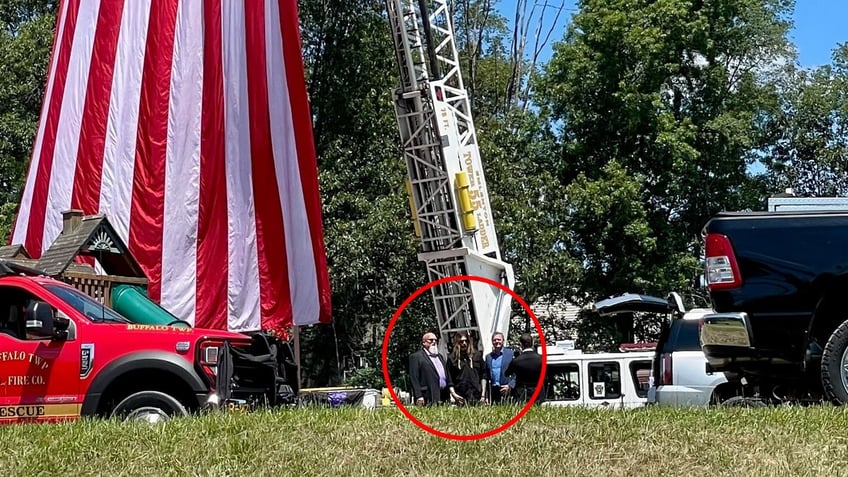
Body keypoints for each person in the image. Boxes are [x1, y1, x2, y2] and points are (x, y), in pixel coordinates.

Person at [408, 332, 463, 406]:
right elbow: (414, 378)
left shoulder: (439, 357)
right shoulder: (416, 357)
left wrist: (453, 393)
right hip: (427, 397)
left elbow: (447, 376)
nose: (434, 342)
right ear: (424, 342)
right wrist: (418, 396)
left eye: (435, 340)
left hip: (443, 396)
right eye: (431, 340)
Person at [446, 331, 488, 405]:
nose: (464, 343)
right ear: (457, 342)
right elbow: (449, 379)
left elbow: (483, 375)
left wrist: (483, 395)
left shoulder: (477, 355)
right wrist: (454, 394)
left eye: (466, 341)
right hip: (460, 397)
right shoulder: (452, 358)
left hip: (477, 396)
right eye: (461, 341)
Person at [505, 333, 545, 405]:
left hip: (522, 394)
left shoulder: (516, 361)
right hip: (538, 393)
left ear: (521, 345)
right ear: (532, 343)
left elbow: (507, 373)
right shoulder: (541, 360)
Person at [484, 332, 515, 404]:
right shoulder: (488, 357)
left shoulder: (510, 354)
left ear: (503, 341)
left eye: (499, 339)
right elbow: (486, 375)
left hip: (506, 389)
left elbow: (516, 373)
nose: (496, 341)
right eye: (494, 340)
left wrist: (510, 385)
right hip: (493, 390)